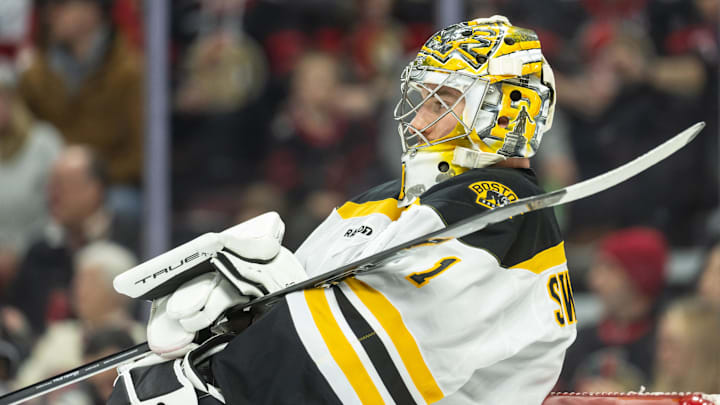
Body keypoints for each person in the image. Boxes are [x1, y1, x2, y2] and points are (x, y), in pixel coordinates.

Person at [109, 16, 572, 405]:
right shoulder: (381, 201)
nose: (415, 120)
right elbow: (305, 310)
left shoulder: (505, 214)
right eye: (421, 98)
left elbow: (352, 361)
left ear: (509, 111)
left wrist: (213, 383)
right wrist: (235, 321)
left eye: (445, 99)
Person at [559, 227, 668, 390]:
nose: (594, 281)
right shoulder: (580, 340)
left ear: (639, 274)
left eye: (608, 268)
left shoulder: (665, 343)